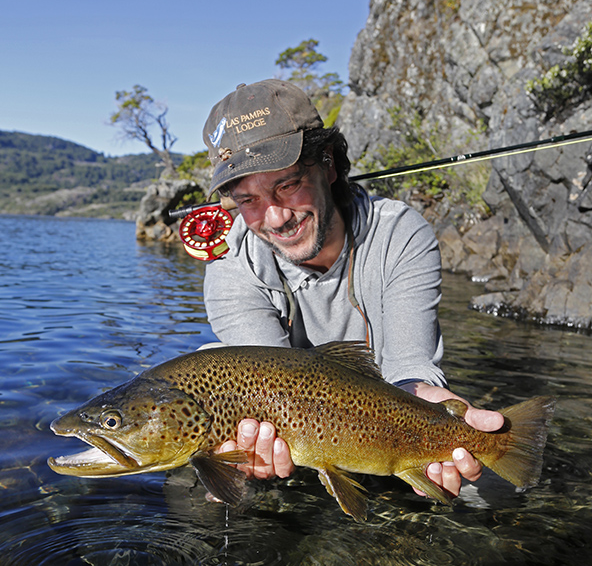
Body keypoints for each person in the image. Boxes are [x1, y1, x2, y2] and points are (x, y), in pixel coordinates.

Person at [201, 79, 503, 499]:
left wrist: (422, 398)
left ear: (328, 165)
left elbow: (409, 366)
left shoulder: (399, 233)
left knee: (484, 488)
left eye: (286, 185)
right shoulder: (231, 268)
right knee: (209, 483)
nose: (274, 218)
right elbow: (267, 386)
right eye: (247, 200)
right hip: (301, 434)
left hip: (389, 418)